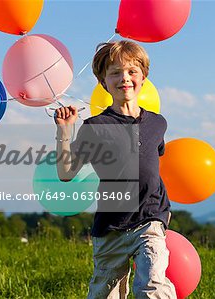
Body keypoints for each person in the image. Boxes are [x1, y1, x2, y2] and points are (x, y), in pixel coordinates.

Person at [54, 40, 177, 299]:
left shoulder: (157, 123)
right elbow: (66, 173)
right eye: (115, 73)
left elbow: (152, 167)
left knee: (152, 287)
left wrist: (163, 213)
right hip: (111, 228)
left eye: (132, 71)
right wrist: (64, 132)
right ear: (103, 82)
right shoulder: (95, 127)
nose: (125, 78)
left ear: (143, 76)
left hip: (150, 221)